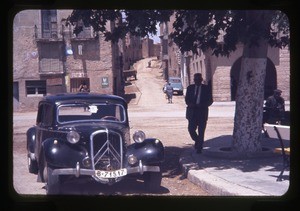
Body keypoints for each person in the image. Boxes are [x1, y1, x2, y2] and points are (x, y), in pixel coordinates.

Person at [185, 73, 213, 153]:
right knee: (191, 129)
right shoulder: (190, 88)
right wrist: (191, 104)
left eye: (198, 79)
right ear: (194, 80)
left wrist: (203, 105)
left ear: (201, 80)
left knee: (201, 131)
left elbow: (210, 101)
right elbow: (187, 100)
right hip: (192, 112)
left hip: (202, 112)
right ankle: (197, 140)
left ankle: (199, 147)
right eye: (195, 79)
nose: (197, 81)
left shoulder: (206, 88)